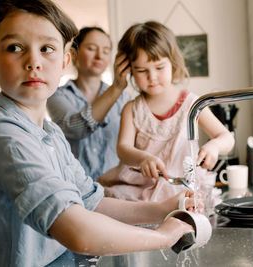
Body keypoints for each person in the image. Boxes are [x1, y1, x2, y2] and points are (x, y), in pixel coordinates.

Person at [0, 2, 200, 266]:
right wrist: (162, 237)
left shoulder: (50, 133)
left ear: (64, 61)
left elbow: (90, 201)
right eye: (15, 47)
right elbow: (77, 230)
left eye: (47, 49)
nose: (33, 62)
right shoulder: (4, 136)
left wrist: (162, 208)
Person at [98, 21, 235, 202]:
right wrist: (142, 158)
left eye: (159, 68)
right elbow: (123, 149)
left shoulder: (192, 104)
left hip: (182, 189)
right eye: (141, 70)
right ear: (129, 69)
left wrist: (214, 146)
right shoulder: (132, 109)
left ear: (173, 63)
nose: (152, 77)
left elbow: (226, 137)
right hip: (139, 190)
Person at [47, 27, 132, 180]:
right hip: (75, 189)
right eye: (92, 49)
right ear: (73, 54)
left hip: (116, 189)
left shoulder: (123, 99)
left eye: (106, 51)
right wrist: (116, 87)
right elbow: (76, 128)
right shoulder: (56, 95)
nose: (99, 56)